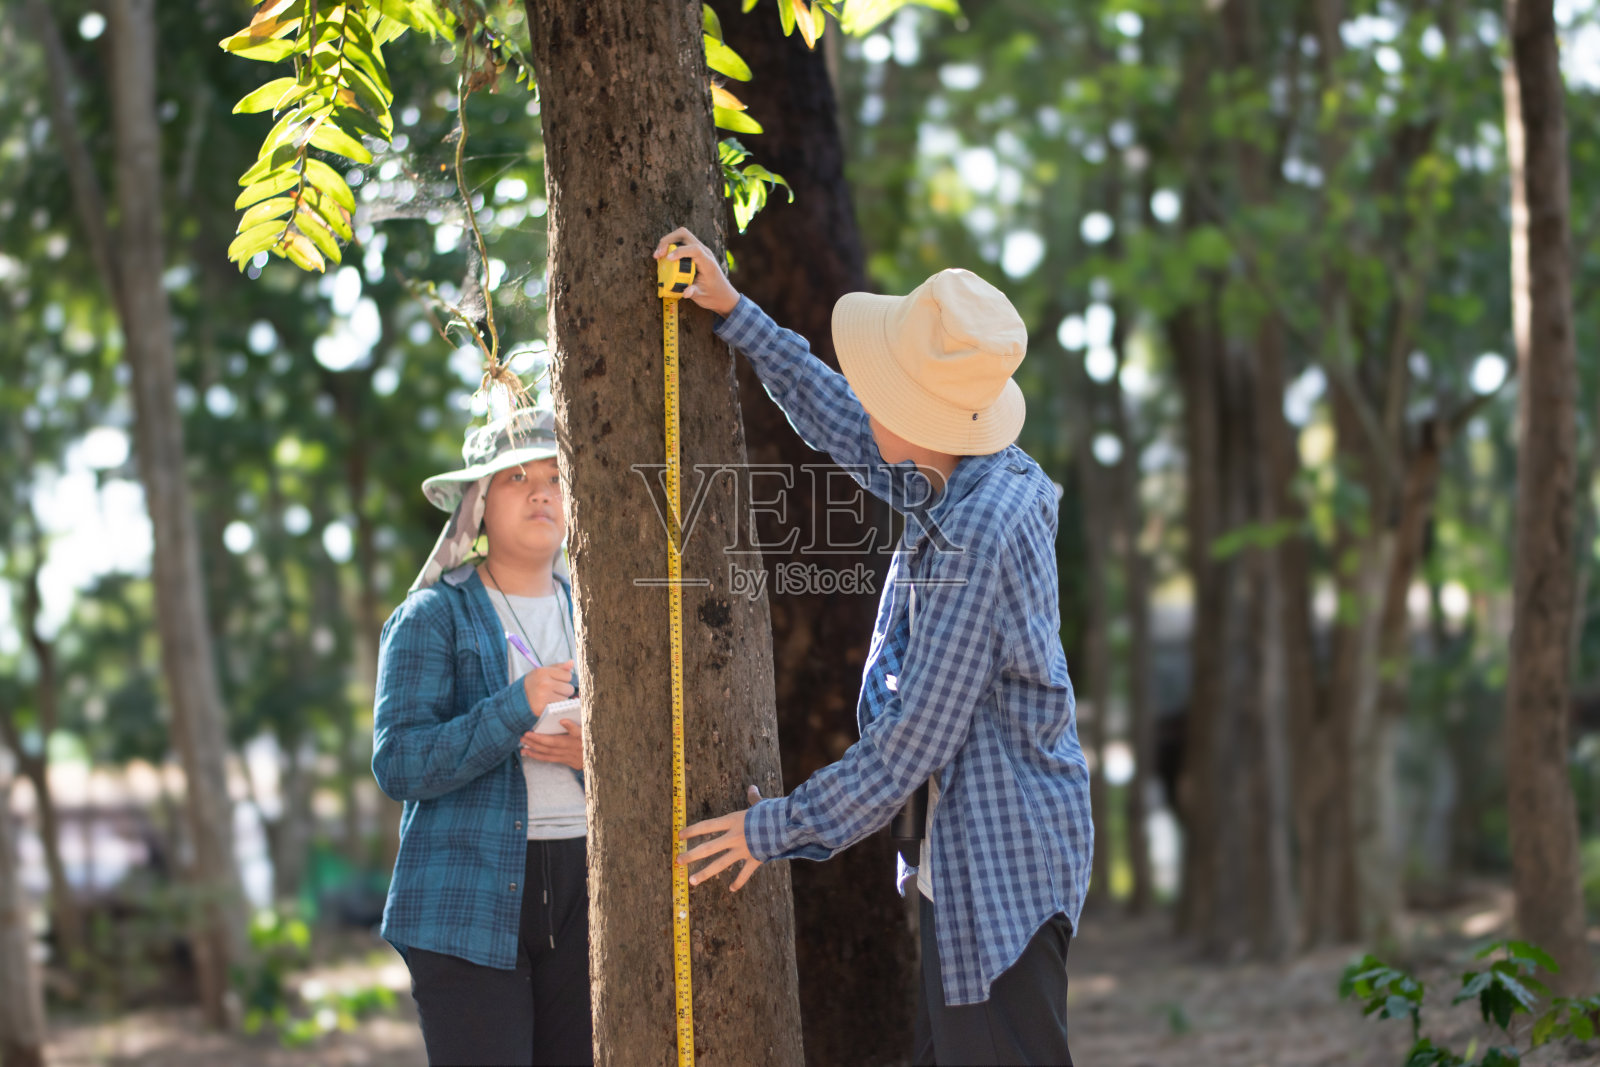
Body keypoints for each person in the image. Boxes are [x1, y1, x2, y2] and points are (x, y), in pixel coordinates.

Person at [660, 228, 1092, 1066]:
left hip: (1001, 866)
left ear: (923, 414)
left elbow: (911, 744)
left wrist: (772, 828)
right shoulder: (953, 467)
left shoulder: (979, 529)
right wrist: (736, 312)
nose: (867, 397)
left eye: (882, 388)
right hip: (963, 858)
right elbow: (846, 423)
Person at [372, 406, 591, 1067]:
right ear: (476, 505)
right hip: (464, 898)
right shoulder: (430, 615)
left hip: (589, 891)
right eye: (516, 477)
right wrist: (514, 707)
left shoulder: (599, 614)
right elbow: (399, 762)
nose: (541, 492)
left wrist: (595, 758)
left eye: (555, 477)